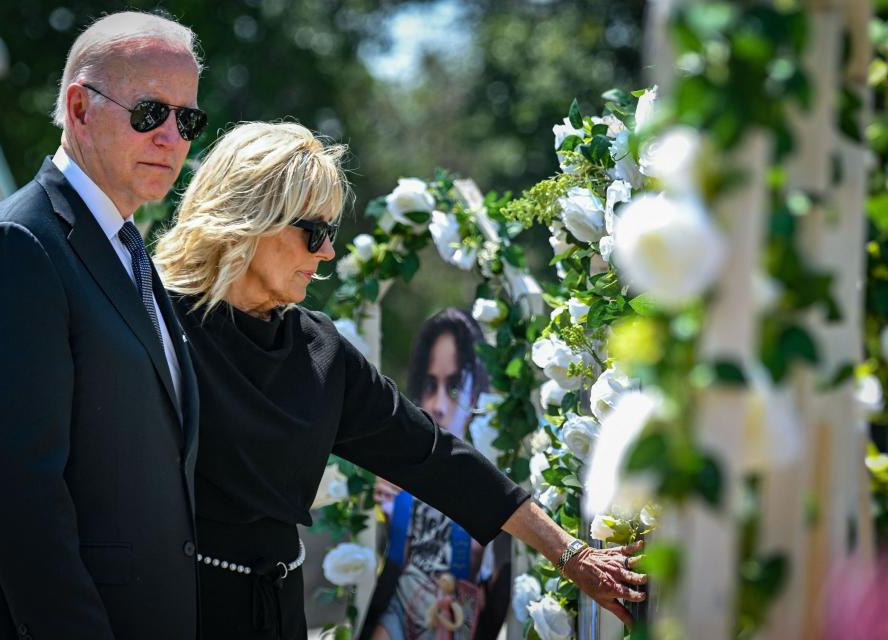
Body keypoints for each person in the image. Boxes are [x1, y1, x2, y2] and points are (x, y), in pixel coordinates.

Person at [154, 121, 647, 640]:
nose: (327, 254)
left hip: (280, 616)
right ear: (252, 219)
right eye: (314, 233)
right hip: (175, 613)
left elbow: (435, 457)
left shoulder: (318, 351)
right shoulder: (154, 325)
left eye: (332, 234)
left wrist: (570, 555)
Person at [0, 11, 208, 640]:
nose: (172, 137)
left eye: (187, 119)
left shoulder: (128, 250)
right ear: (79, 110)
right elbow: (21, 498)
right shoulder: (18, 244)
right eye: (149, 113)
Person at [365, 308, 510, 640]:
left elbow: (499, 582)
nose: (439, 405)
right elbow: (394, 563)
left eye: (455, 386)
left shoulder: (495, 471)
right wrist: (389, 520)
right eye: (430, 385)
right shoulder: (398, 468)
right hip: (402, 605)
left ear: (477, 392)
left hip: (455, 613)